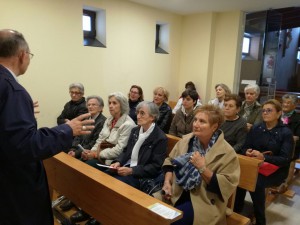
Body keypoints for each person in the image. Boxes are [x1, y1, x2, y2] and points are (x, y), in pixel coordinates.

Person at [0, 29, 94, 225]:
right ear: (22, 55)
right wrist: (67, 130)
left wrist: (20, 114)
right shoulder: (12, 90)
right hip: (13, 186)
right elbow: (25, 145)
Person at [155, 105, 240, 225]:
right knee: (150, 211)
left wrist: (202, 168)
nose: (196, 124)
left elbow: (226, 185)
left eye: (202, 121)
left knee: (175, 221)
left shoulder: (227, 152)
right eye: (195, 120)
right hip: (177, 191)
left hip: (203, 200)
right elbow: (170, 161)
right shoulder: (186, 140)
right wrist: (167, 183)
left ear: (214, 127)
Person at [70, 92, 136, 224]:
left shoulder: (128, 124)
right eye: (110, 103)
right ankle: (81, 204)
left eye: (114, 103)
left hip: (112, 161)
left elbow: (119, 149)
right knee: (81, 166)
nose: (110, 106)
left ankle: (92, 211)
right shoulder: (109, 120)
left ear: (122, 105)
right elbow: (100, 139)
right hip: (101, 156)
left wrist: (96, 154)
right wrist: (91, 151)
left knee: (88, 169)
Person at [234, 99, 293, 225]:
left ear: (278, 114)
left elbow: (285, 159)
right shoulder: (256, 128)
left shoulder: (285, 132)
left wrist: (264, 157)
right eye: (264, 110)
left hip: (277, 170)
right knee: (239, 176)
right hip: (255, 165)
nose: (265, 113)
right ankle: (237, 212)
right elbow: (245, 147)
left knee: (256, 182)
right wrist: (247, 152)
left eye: (269, 110)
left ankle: (260, 219)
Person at [281, 94, 300, 160]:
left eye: (288, 103)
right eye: (284, 102)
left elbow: (297, 139)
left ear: (294, 105)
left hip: (289, 152)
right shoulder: (276, 115)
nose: (285, 104)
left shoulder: (298, 119)